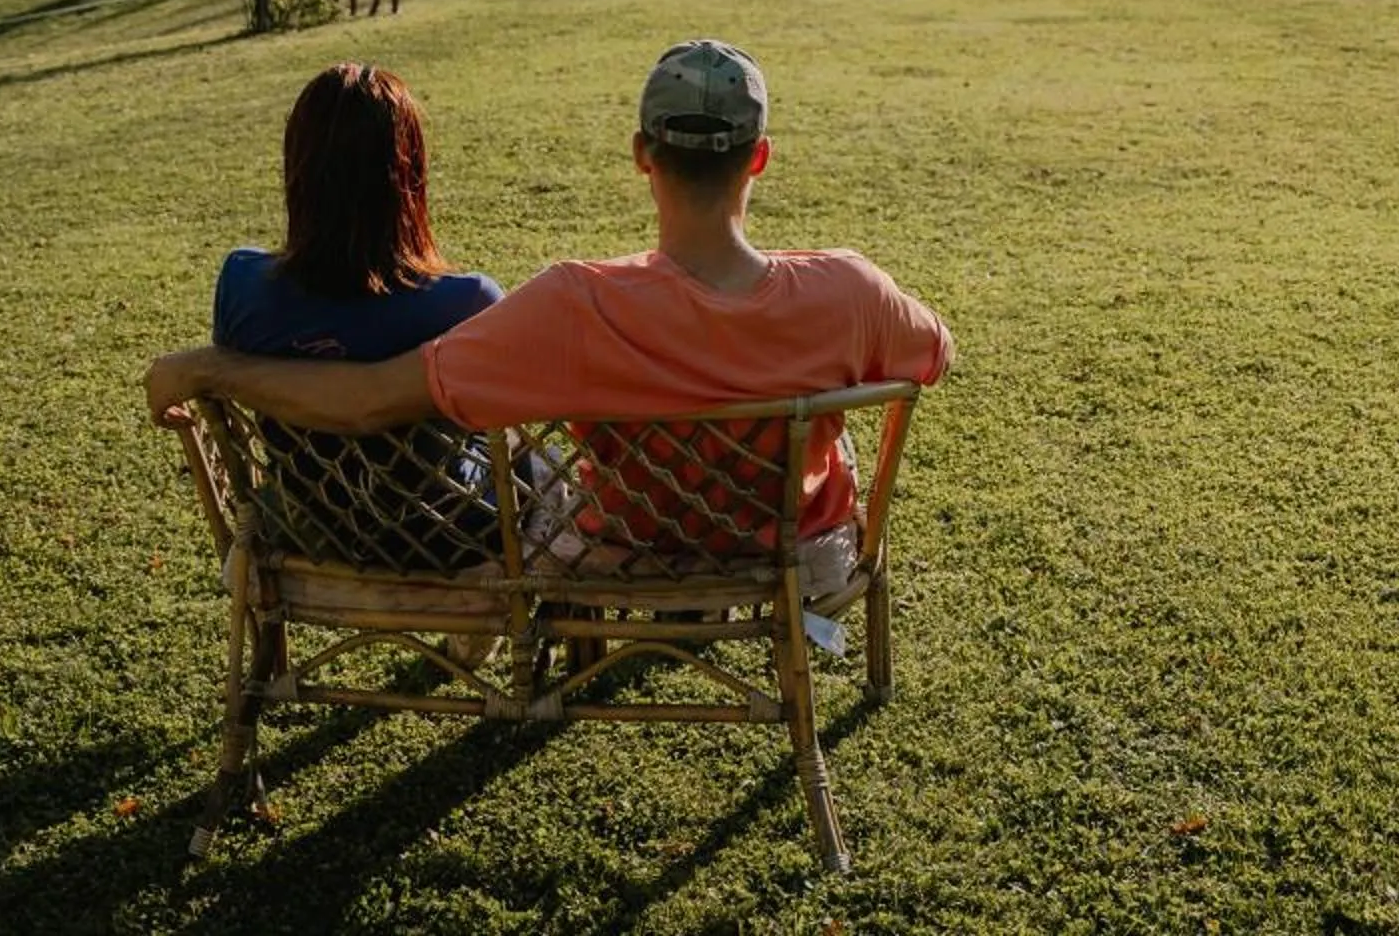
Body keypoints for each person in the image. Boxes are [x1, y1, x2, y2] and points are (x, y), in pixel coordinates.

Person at [148, 39, 953, 586]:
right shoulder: (853, 290)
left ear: (642, 153)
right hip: (800, 560)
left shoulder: (574, 304)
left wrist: (212, 366)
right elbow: (933, 358)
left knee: (545, 488)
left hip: (625, 556)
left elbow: (367, 402)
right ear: (762, 157)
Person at [209, 62, 502, 566]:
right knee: (534, 458)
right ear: (408, 173)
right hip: (454, 540)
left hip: (308, 534)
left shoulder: (242, 287)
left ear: (297, 169)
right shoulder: (468, 302)